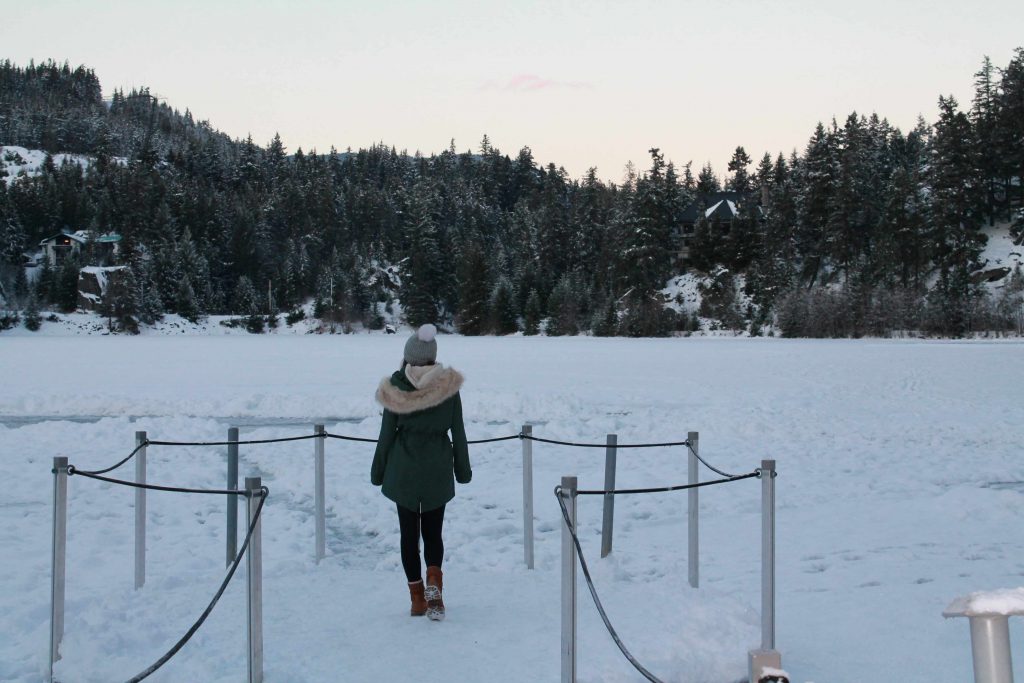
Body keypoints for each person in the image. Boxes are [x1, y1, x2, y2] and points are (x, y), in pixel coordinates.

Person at [371, 323, 471, 621]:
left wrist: (378, 472)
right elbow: (459, 433)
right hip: (437, 470)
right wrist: (462, 470)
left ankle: (417, 600)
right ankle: (434, 588)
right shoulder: (448, 388)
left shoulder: (395, 387)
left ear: (408, 357)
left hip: (403, 470)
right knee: (433, 533)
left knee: (408, 536)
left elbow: (386, 435)